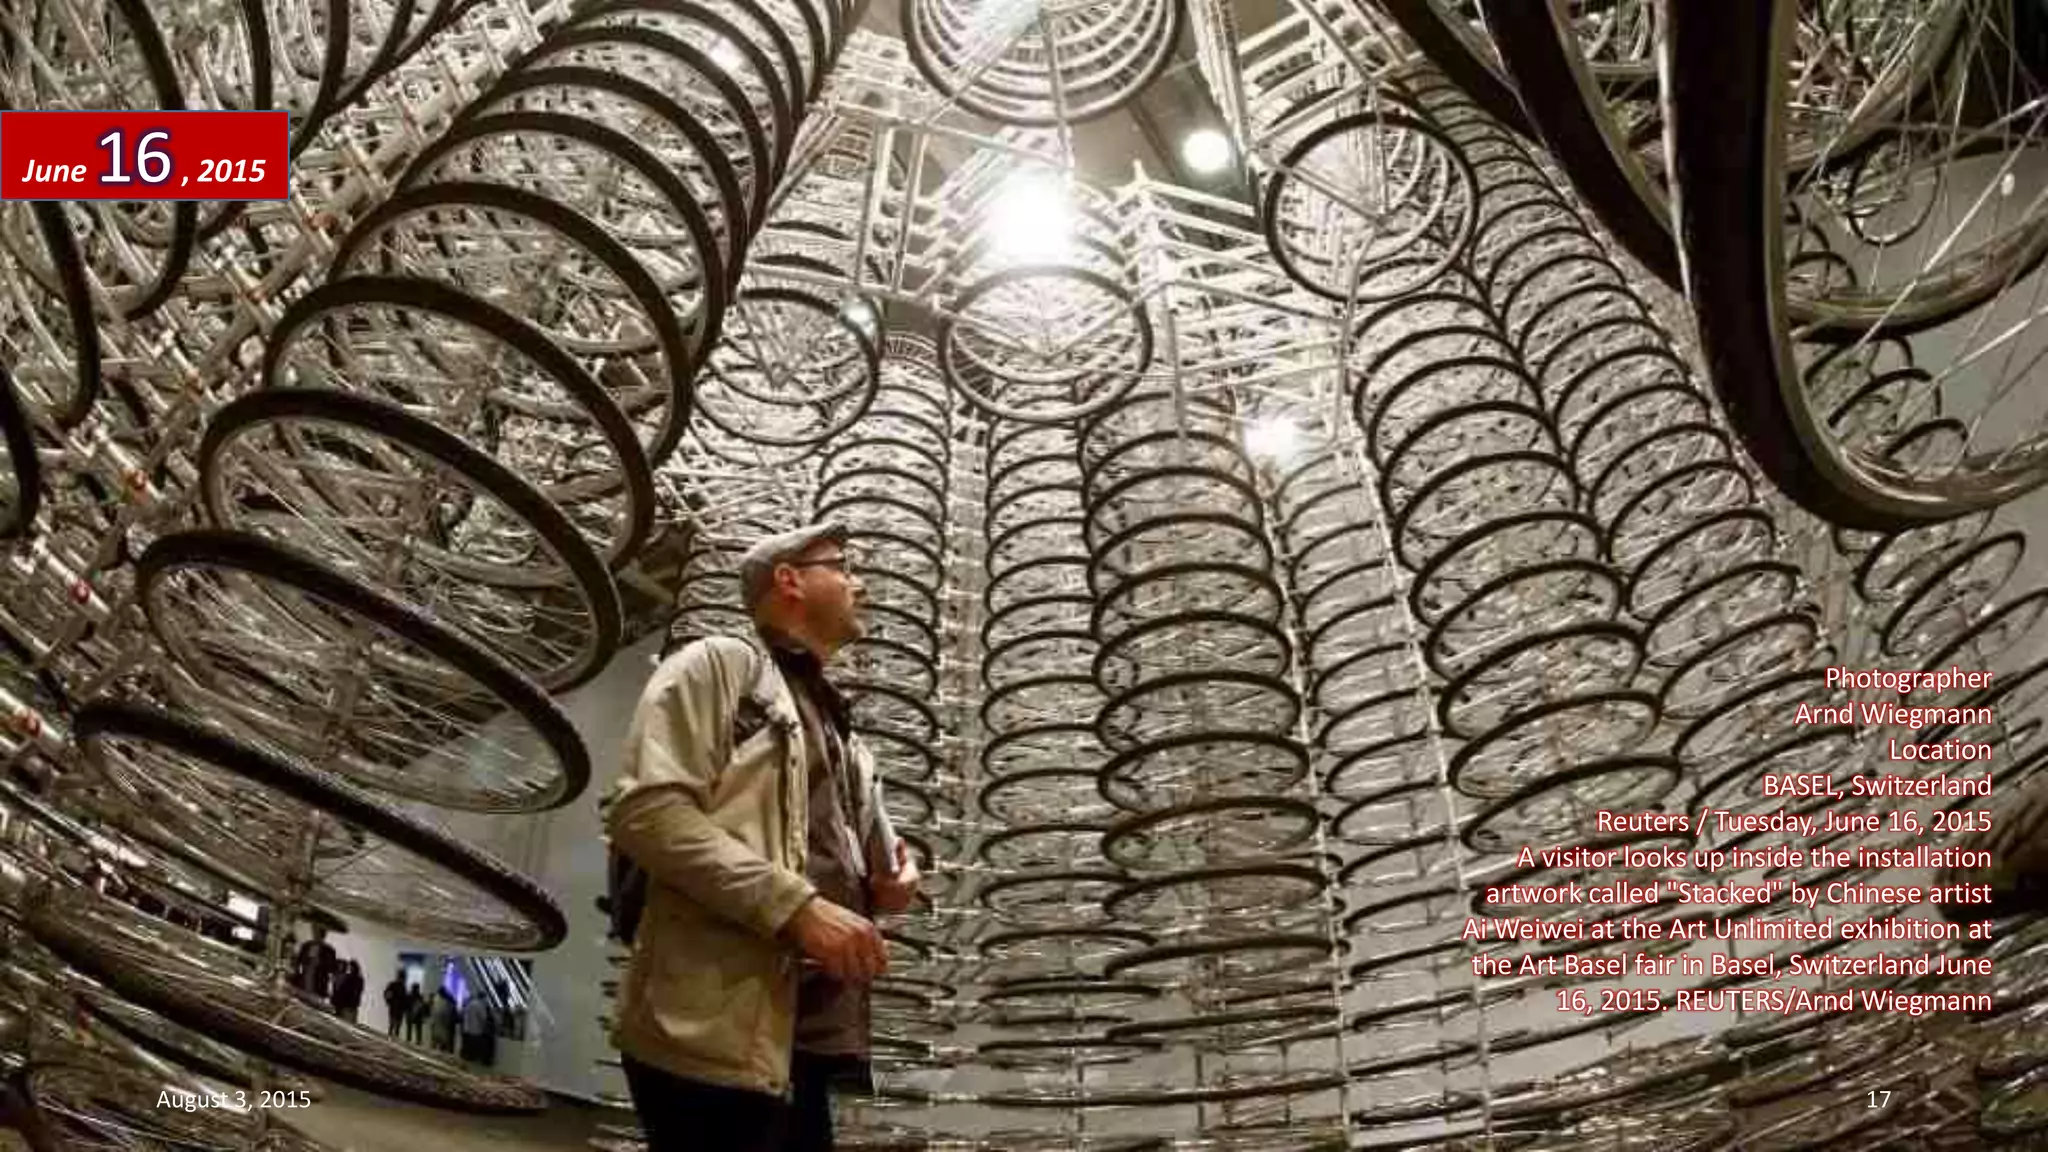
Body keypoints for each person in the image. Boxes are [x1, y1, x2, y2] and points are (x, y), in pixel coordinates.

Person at [605, 522, 921, 1152]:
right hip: (711, 1031)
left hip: (799, 1039)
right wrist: (798, 910)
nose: (859, 583)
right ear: (789, 579)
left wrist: (884, 886)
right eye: (843, 566)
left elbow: (831, 854)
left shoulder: (841, 730)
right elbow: (648, 813)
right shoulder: (718, 665)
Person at [290, 925, 338, 1000]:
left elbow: (332, 968)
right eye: (316, 930)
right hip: (304, 981)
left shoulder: (329, 951)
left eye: (320, 931)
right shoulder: (306, 946)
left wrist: (321, 963)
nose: (317, 933)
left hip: (318, 985)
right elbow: (298, 962)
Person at [459, 992, 493, 1065]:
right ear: (484, 998)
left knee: (468, 1047)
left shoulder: (470, 1003)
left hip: (467, 1029)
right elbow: (483, 1018)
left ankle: (466, 1059)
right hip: (476, 1030)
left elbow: (464, 1015)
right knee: (478, 1047)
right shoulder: (480, 1005)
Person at [428, 987, 459, 1053]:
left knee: (437, 1042)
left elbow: (434, 1013)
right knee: (445, 1043)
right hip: (445, 1027)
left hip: (440, 1026)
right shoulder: (447, 1002)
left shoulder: (439, 1001)